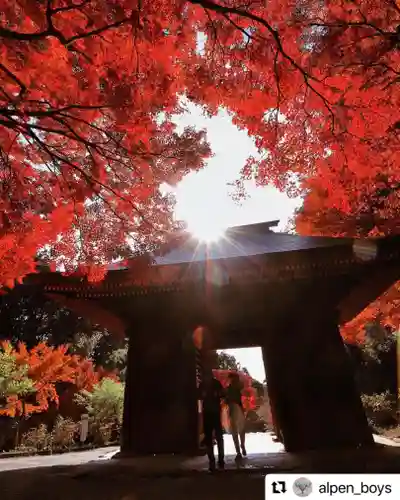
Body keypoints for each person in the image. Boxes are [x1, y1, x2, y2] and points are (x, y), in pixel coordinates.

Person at [198, 370, 225, 472]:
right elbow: (198, 395)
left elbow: (223, 394)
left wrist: (217, 394)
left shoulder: (216, 383)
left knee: (218, 437)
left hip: (214, 412)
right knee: (210, 437)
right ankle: (212, 461)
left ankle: (220, 460)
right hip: (209, 412)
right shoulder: (203, 384)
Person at [225, 372, 247, 460]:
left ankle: (239, 450)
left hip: (234, 409)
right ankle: (241, 447)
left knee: (237, 431)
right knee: (240, 430)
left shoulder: (231, 388)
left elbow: (228, 399)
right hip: (237, 409)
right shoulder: (236, 387)